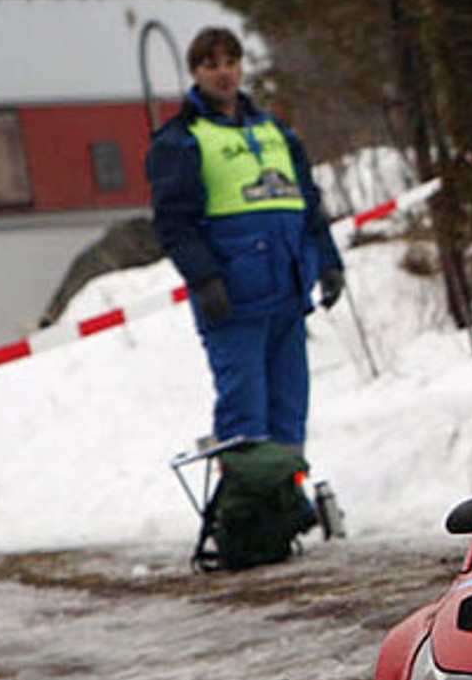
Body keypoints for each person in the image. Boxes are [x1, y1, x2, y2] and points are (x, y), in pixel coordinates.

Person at [146, 26, 344, 453]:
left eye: (231, 62)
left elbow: (308, 205)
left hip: (287, 295)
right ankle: (252, 510)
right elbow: (173, 223)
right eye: (211, 64)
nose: (224, 73)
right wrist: (204, 279)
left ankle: (287, 501)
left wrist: (329, 263)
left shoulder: (276, 134)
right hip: (233, 301)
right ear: (195, 72)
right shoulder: (181, 140)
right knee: (244, 413)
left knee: (290, 410)